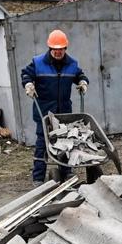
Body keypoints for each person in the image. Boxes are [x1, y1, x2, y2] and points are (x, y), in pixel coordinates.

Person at [21, 29, 88, 185]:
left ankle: (67, 173)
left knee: (65, 142)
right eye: (55, 49)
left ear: (65, 48)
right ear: (50, 48)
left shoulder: (72, 64)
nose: (58, 52)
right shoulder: (38, 62)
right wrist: (29, 84)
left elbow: (80, 75)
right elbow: (26, 74)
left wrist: (83, 82)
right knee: (42, 144)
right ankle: (38, 178)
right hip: (44, 111)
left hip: (64, 111)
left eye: (61, 49)